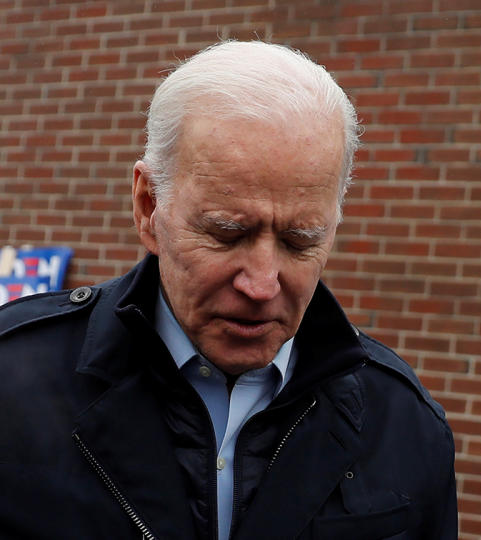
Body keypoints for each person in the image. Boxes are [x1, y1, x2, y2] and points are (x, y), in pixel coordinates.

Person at [0, 41, 457, 539]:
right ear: (148, 206)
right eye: (226, 233)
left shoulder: (404, 423)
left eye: (299, 241)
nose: (261, 285)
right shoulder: (13, 384)